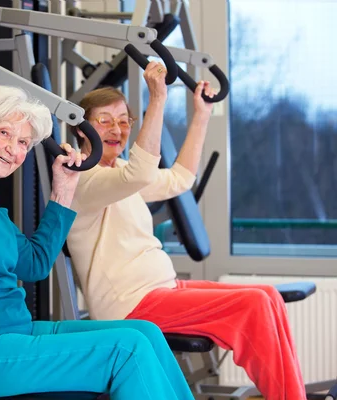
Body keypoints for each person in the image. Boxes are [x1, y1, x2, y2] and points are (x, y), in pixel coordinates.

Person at [0, 85, 195, 400]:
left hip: (16, 332)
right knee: (127, 349)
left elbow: (34, 264)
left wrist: (63, 191)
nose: (14, 150)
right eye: (4, 133)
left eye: (24, 142)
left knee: (145, 332)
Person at [66, 62, 306, 400]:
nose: (116, 128)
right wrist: (159, 98)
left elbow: (180, 178)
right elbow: (138, 174)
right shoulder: (82, 179)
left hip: (162, 290)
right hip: (131, 305)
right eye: (104, 120)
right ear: (81, 130)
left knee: (267, 294)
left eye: (123, 120)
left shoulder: (119, 171)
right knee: (253, 304)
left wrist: (202, 114)